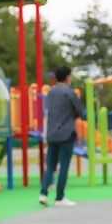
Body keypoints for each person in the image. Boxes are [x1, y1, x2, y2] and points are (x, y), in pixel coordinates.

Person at [39, 66, 84, 207]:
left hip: (51, 133)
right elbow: (80, 112)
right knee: (64, 166)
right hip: (66, 133)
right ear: (67, 77)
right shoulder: (69, 92)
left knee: (50, 165)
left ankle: (43, 193)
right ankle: (59, 197)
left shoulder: (51, 92)